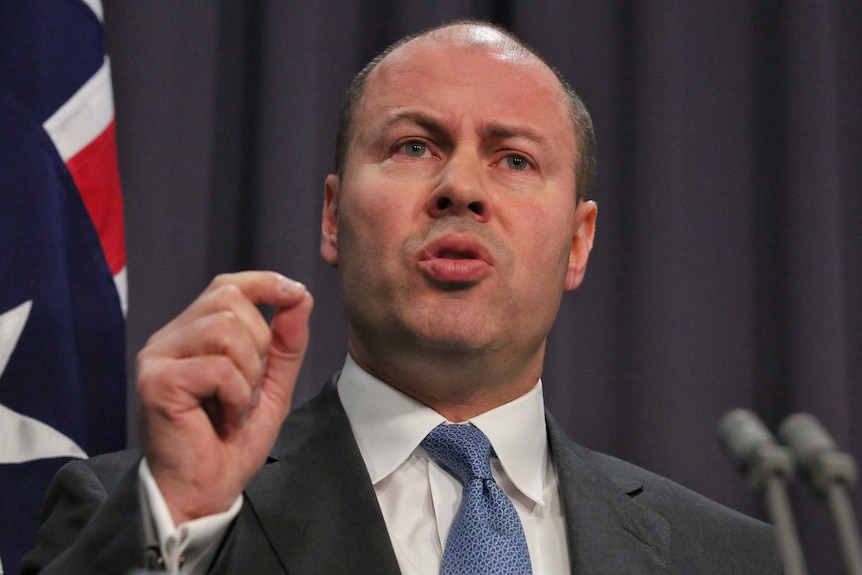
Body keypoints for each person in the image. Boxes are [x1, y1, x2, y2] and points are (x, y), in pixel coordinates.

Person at [22, 20, 780, 574]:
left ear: (578, 242)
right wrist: (177, 517)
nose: (461, 189)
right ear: (332, 215)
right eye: (414, 146)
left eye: (514, 159)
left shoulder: (730, 557)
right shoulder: (147, 513)